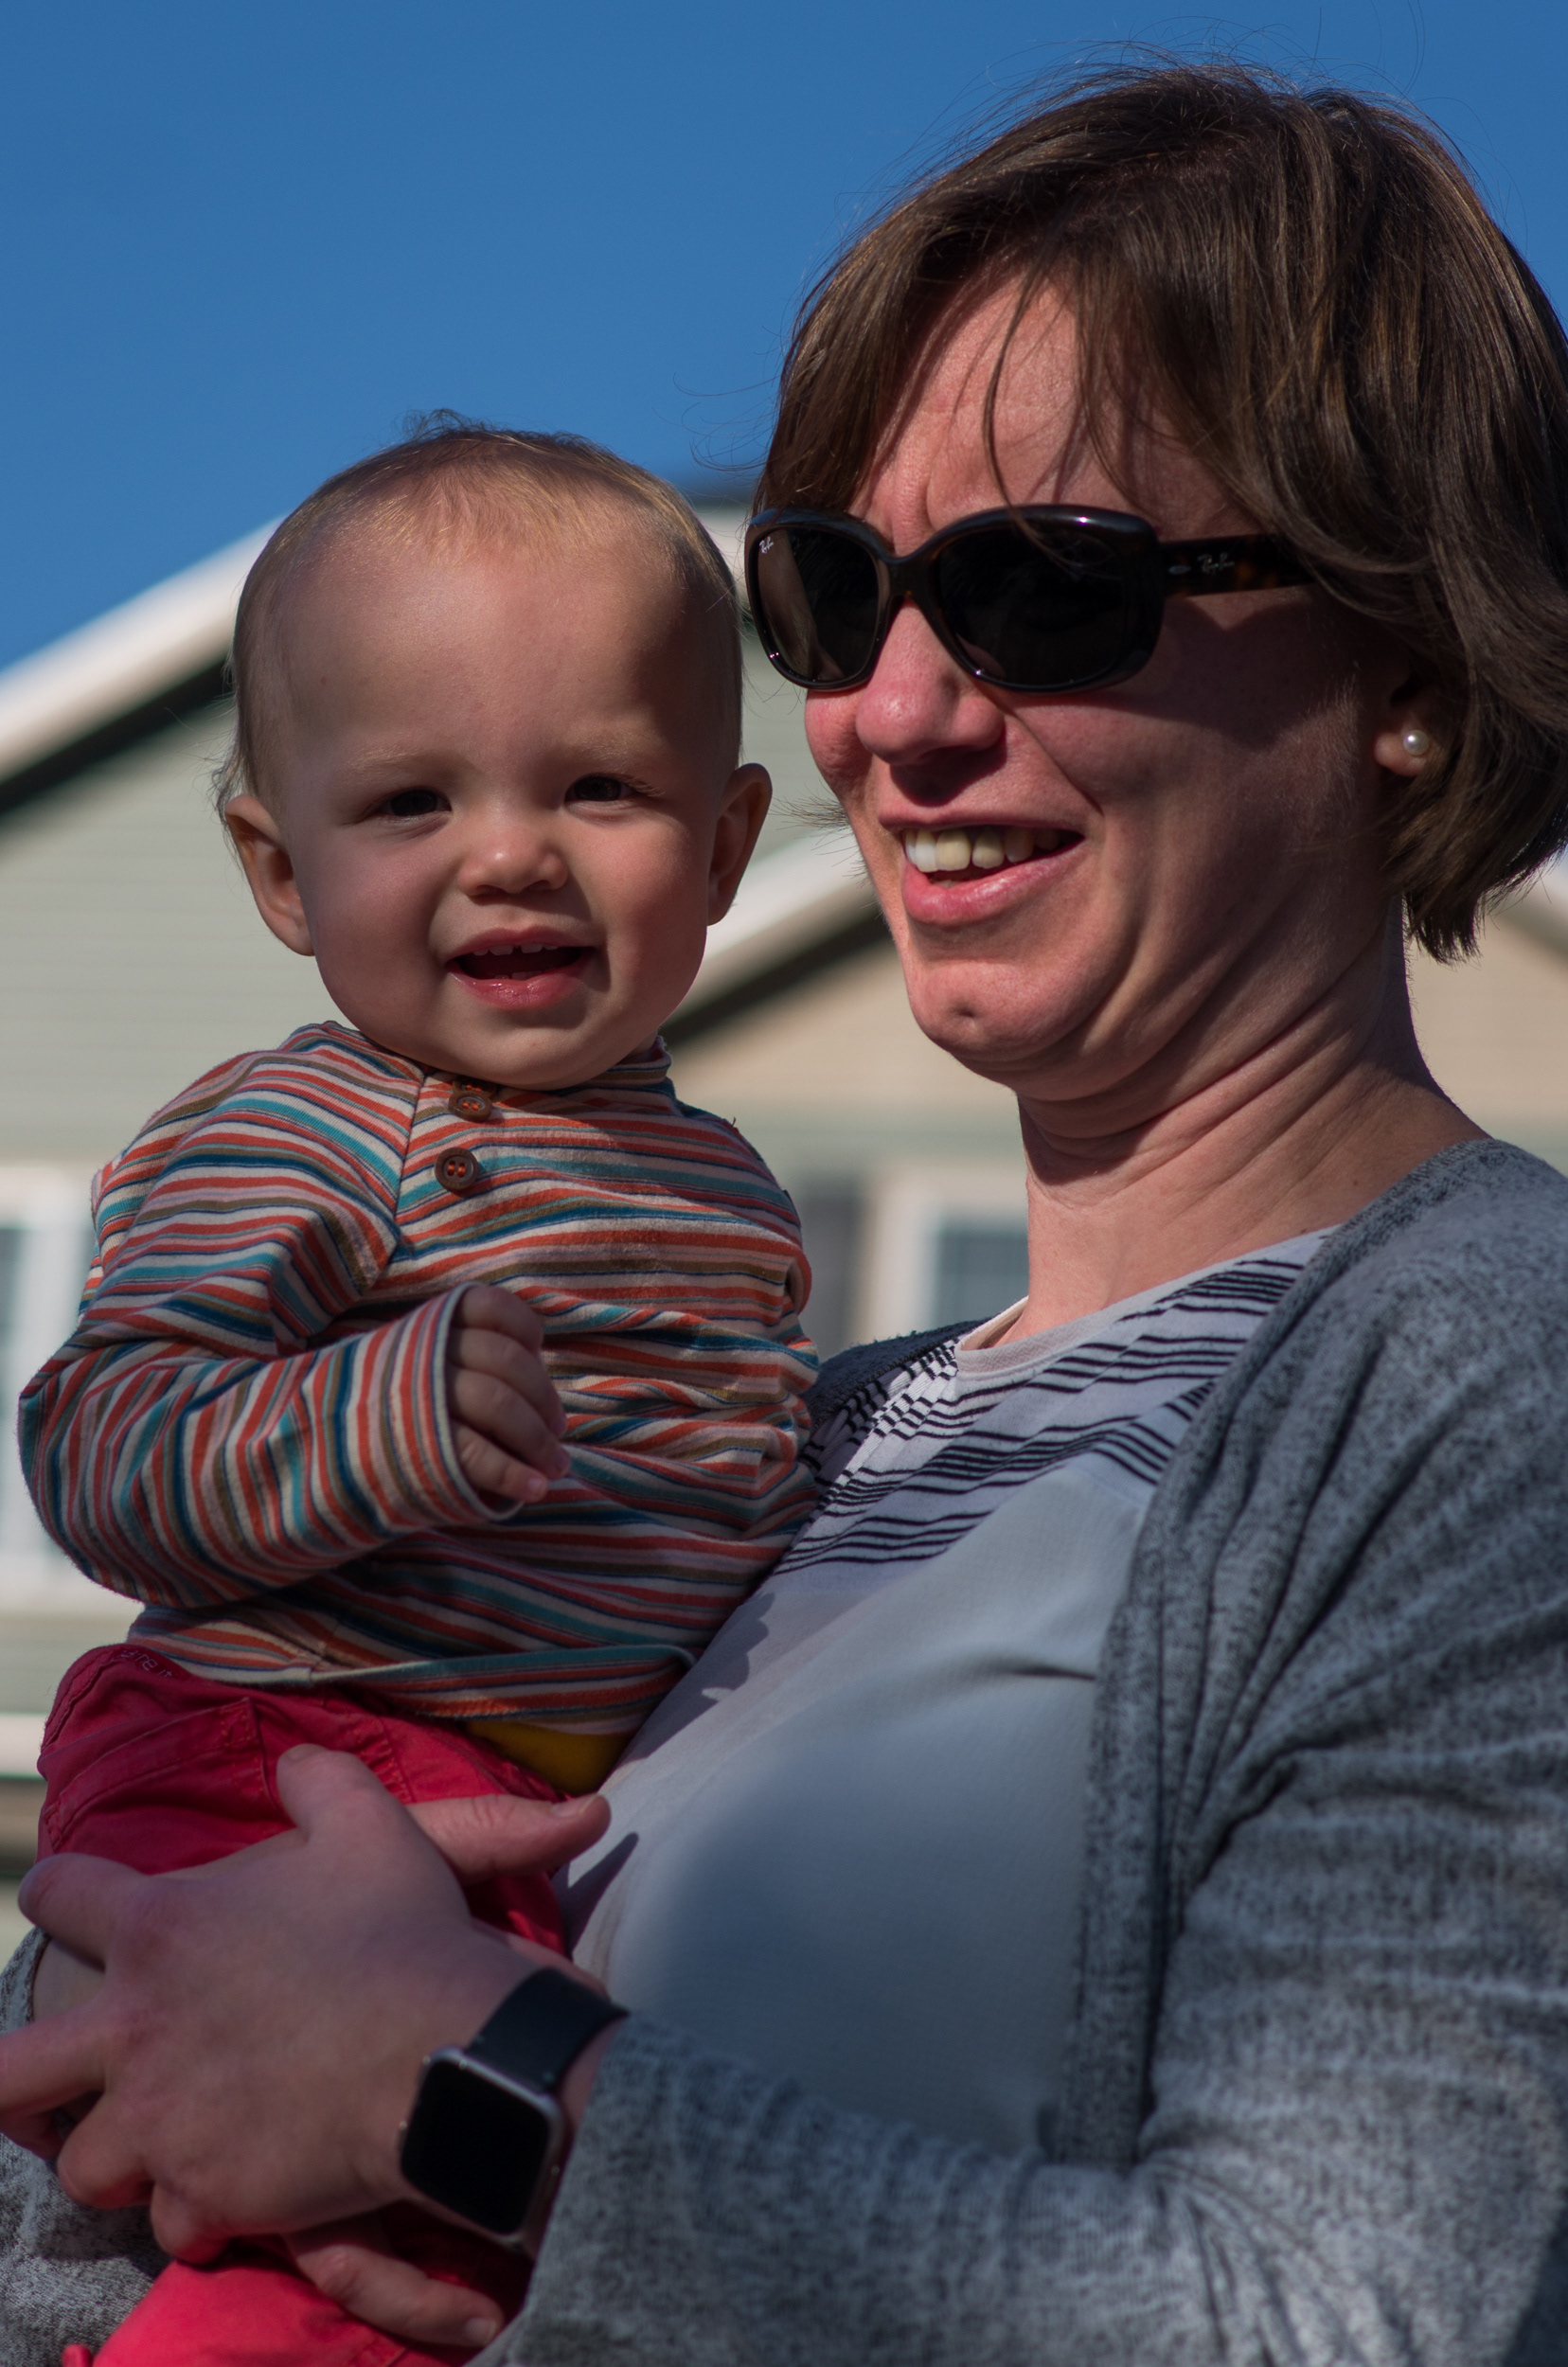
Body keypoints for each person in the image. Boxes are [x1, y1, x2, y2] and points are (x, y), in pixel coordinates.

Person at [7, 56, 1568, 2367]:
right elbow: (100, 2165)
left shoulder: (1490, 1384)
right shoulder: (779, 1427)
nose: (896, 712)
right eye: (841, 593)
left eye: (1049, 585)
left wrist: (468, 2085)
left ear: (1407, 670)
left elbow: (1341, 2316)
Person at [5, 422, 816, 2363]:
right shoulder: (312, 1128)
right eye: (409, 799)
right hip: (272, 1752)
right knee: (321, 2231)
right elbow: (100, 1441)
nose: (510, 849)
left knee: (465, 2255)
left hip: (512, 1794)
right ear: (281, 871)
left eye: (598, 783)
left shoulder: (724, 1185)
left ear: (722, 848)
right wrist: (375, 1418)